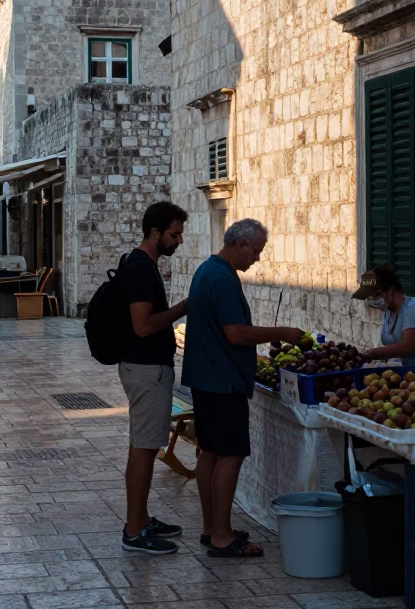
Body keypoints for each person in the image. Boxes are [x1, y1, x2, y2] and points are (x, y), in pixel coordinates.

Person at [182, 218, 303, 558]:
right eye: (257, 251)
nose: (257, 259)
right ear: (240, 245)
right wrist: (281, 332)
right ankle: (221, 536)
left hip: (206, 378)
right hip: (223, 382)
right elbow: (235, 333)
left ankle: (212, 527)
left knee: (209, 451)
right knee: (231, 454)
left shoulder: (208, 269)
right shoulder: (221, 278)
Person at [117, 202, 189, 554]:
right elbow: (143, 326)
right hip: (146, 369)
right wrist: (182, 309)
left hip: (145, 368)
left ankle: (141, 519)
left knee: (142, 446)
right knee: (145, 449)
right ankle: (134, 530)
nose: (178, 242)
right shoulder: (141, 270)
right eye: (174, 235)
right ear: (155, 233)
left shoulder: (142, 266)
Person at [358, 264, 415, 373]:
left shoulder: (413, 309)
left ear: (391, 291)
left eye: (377, 295)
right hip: (403, 375)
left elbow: (407, 347)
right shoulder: (387, 312)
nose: (375, 300)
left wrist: (373, 352)